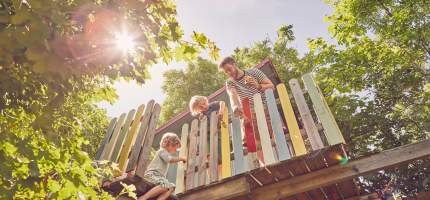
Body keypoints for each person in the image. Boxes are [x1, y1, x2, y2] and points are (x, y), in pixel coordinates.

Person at [219, 56, 276, 162]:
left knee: (270, 137)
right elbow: (232, 95)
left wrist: (257, 85)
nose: (229, 73)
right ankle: (264, 165)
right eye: (226, 72)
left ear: (234, 64)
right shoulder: (230, 82)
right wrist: (235, 106)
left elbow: (271, 86)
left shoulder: (254, 72)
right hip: (248, 112)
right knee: (254, 141)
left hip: (264, 107)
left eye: (229, 69)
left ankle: (275, 160)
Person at [138, 133, 186, 200]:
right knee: (166, 185)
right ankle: (143, 198)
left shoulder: (165, 153)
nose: (175, 151)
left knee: (171, 187)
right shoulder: (162, 151)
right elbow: (169, 159)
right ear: (169, 144)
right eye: (175, 148)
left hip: (159, 177)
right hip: (152, 175)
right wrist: (181, 158)